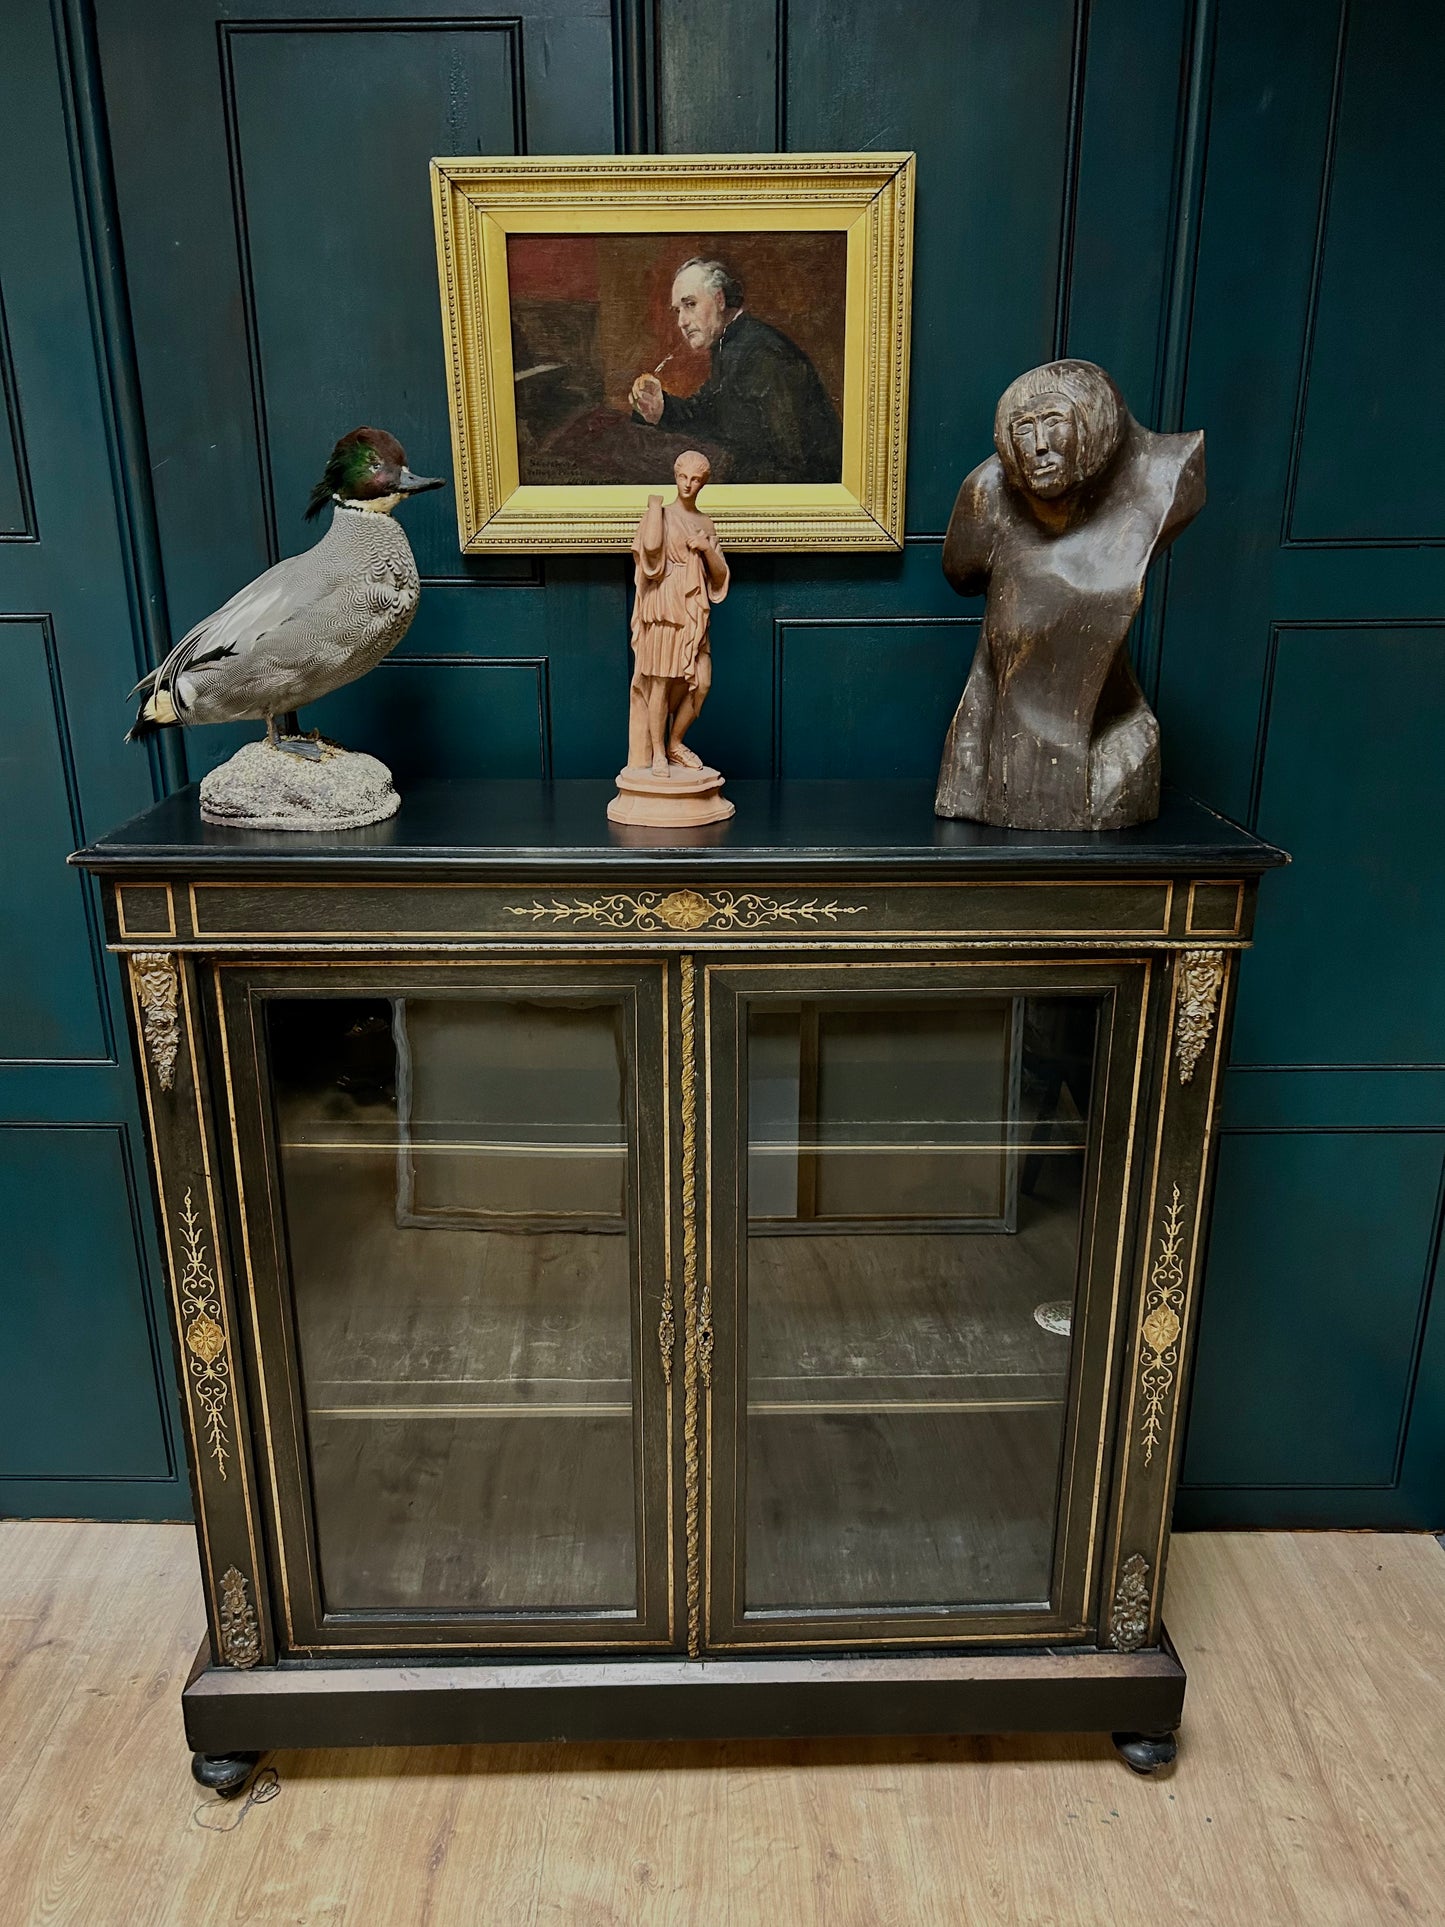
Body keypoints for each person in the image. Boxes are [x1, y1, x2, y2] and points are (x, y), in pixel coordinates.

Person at [628, 259, 842, 484]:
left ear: (719, 299)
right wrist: (660, 408)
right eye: (677, 311)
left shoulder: (764, 353)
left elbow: (795, 462)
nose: (681, 321)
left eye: (690, 304)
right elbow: (708, 413)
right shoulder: (731, 344)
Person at [627, 450, 729, 776]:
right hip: (664, 605)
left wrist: (706, 548)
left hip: (694, 610)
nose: (688, 484)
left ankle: (675, 742)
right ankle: (658, 753)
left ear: (704, 483)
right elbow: (652, 555)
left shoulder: (705, 523)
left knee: (702, 682)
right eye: (683, 477)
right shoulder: (661, 514)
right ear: (675, 476)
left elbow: (720, 576)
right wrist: (654, 508)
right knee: (659, 684)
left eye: (696, 479)